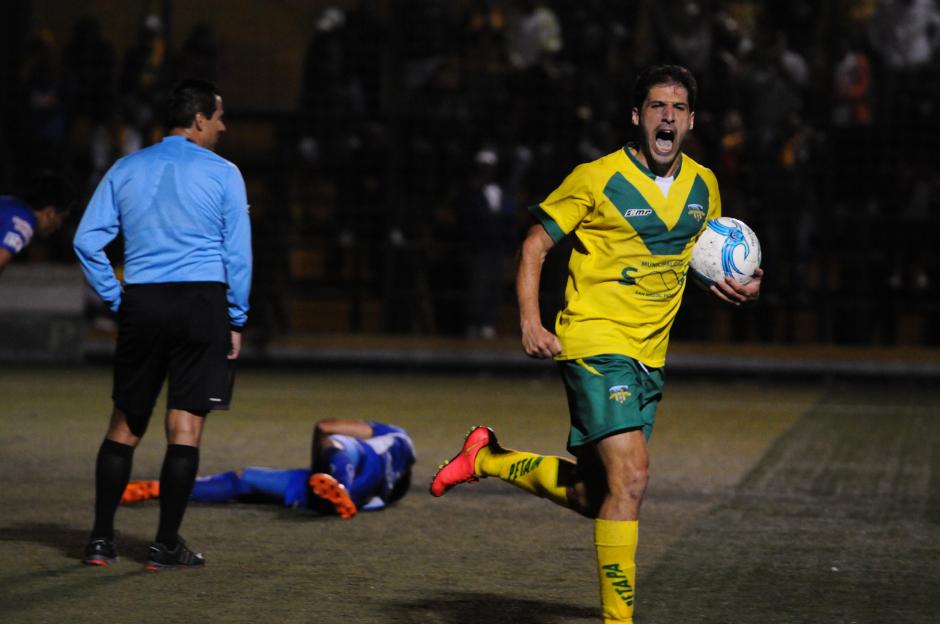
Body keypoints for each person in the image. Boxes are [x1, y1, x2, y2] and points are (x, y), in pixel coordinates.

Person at [430, 65, 763, 623]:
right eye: (657, 106)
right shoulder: (596, 177)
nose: (667, 117)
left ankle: (487, 457)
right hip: (593, 342)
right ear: (637, 116)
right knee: (632, 477)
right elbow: (534, 245)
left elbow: (693, 260)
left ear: (691, 121)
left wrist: (736, 283)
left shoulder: (704, 186)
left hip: (648, 358)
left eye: (678, 109)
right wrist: (531, 322)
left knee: (597, 495)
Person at [73, 78, 252, 570]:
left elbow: (86, 241)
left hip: (144, 302)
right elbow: (237, 254)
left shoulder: (127, 167)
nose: (222, 126)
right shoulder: (224, 173)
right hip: (202, 303)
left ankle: (100, 541)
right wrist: (236, 317)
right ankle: (163, 545)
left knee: (125, 424)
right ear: (198, 120)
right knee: (185, 428)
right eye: (217, 117)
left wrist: (117, 298)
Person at [122, 419, 416, 520]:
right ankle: (334, 485)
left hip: (345, 474)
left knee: (336, 441)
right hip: (346, 497)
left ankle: (164, 487)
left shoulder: (397, 437)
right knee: (245, 483)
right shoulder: (384, 496)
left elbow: (326, 426)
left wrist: (320, 460)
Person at [0, 172, 76, 276]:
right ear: (50, 213)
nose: (59, 226)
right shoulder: (24, 220)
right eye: (62, 217)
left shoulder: (7, 203)